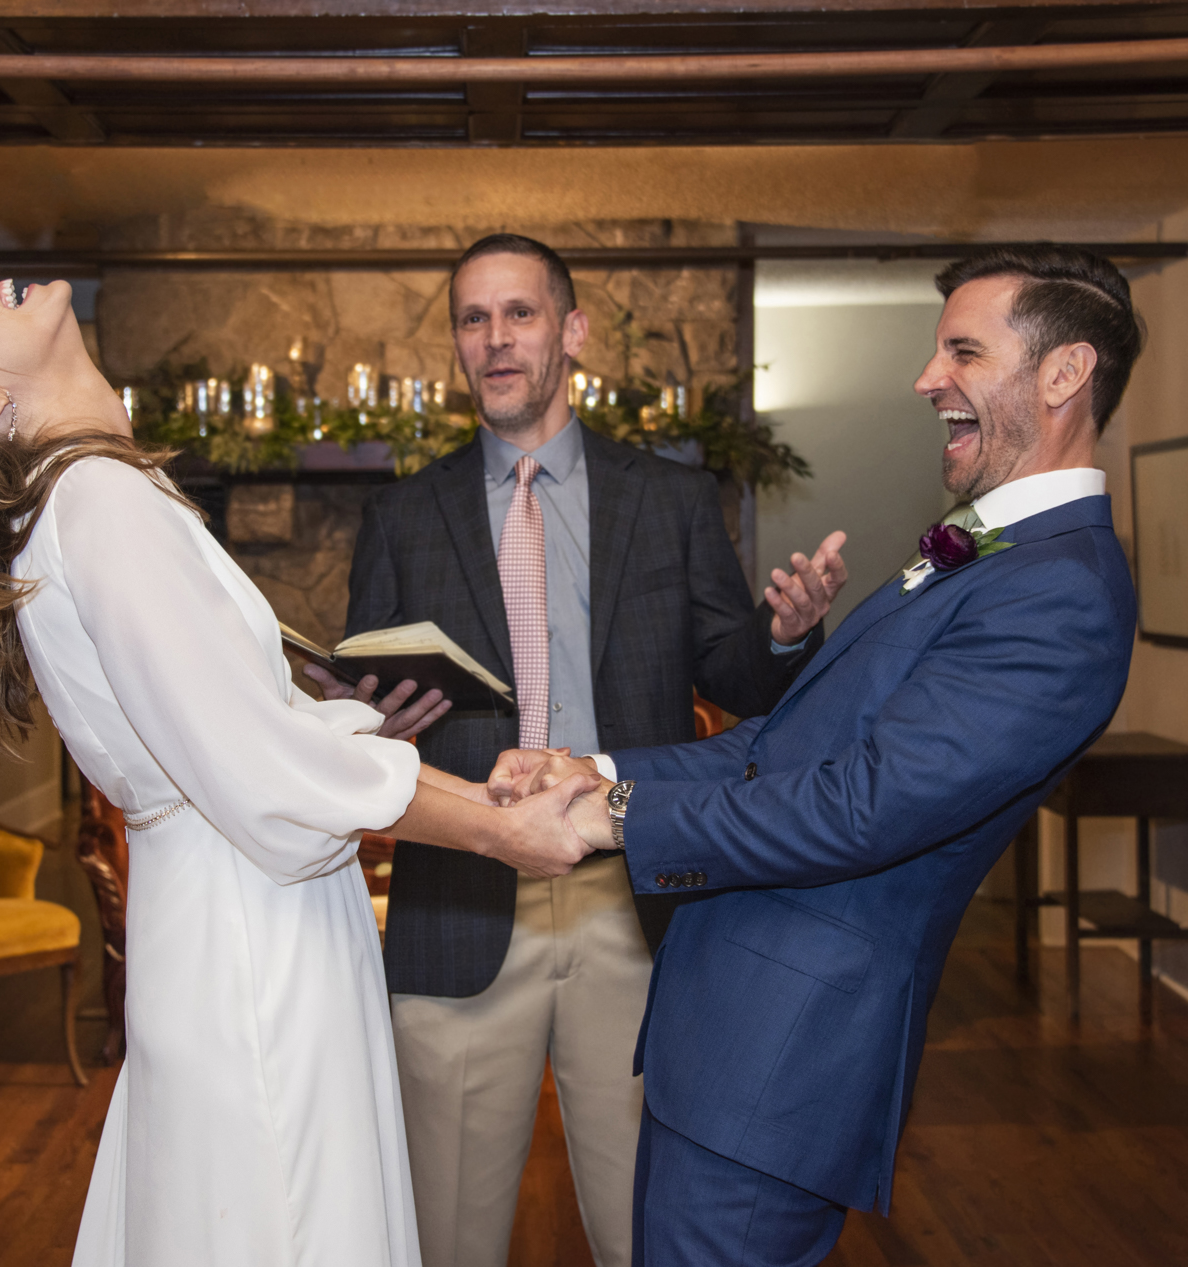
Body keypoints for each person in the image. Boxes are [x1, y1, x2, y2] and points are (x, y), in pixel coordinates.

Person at [0, 266, 596, 1267]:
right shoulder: (95, 500)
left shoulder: (86, 494)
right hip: (250, 936)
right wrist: (500, 828)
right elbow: (260, 775)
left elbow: (230, 735)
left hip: (225, 913)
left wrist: (417, 757)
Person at [494, 242, 1144, 1266]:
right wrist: (602, 769)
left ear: (1063, 373)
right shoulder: (973, 546)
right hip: (725, 1043)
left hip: (784, 1061)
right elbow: (787, 742)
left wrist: (614, 820)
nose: (928, 379)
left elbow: (861, 804)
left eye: (963, 353)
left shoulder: (1064, 592)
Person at [307, 233, 845, 1267]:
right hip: (458, 905)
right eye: (473, 318)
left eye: (519, 313)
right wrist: (358, 714)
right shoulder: (403, 515)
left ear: (572, 331)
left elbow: (735, 677)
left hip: (631, 909)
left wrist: (783, 635)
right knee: (444, 1239)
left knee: (645, 1232)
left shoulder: (672, 501)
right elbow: (365, 701)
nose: (495, 339)